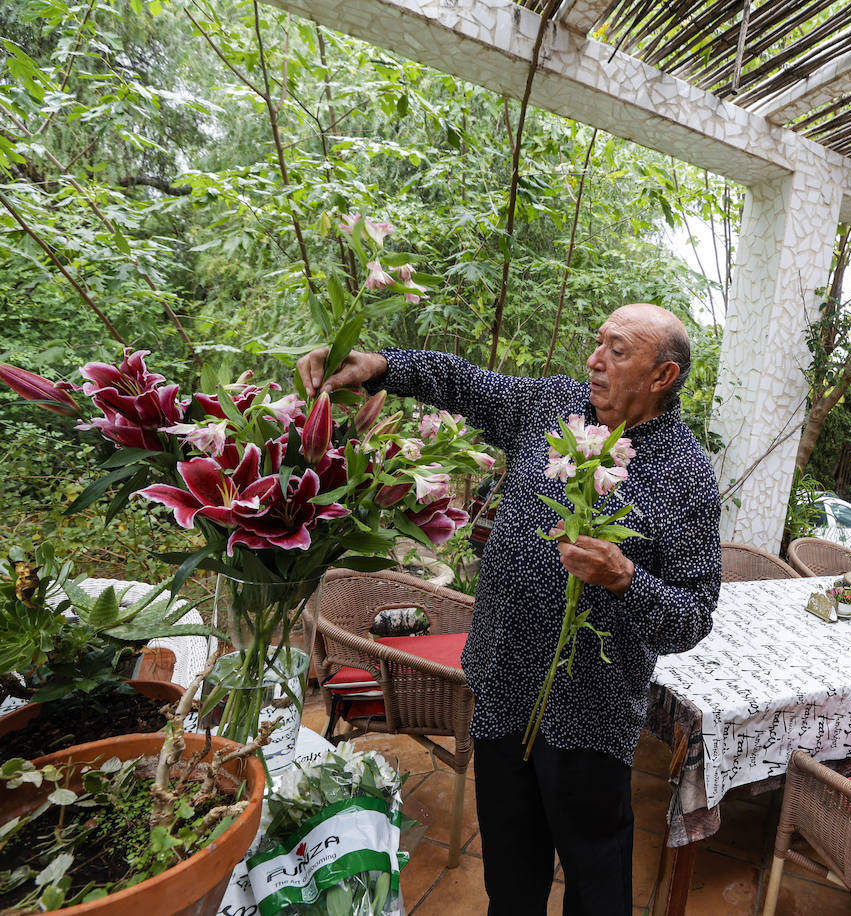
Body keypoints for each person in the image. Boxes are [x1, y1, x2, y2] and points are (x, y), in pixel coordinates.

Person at [298, 303, 721, 915]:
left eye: (617, 351)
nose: (594, 360)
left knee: (596, 883)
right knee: (510, 879)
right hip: (499, 692)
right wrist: (382, 367)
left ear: (663, 376)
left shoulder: (687, 477)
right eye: (597, 342)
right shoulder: (554, 407)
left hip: (590, 715)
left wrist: (626, 579)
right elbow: (469, 383)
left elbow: (693, 616)